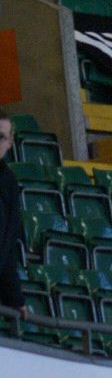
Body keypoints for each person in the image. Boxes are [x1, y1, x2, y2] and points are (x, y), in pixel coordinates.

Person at [0, 113, 25, 315]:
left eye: (1, 137)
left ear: (10, 142)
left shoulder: (9, 182)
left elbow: (7, 247)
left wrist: (15, 298)